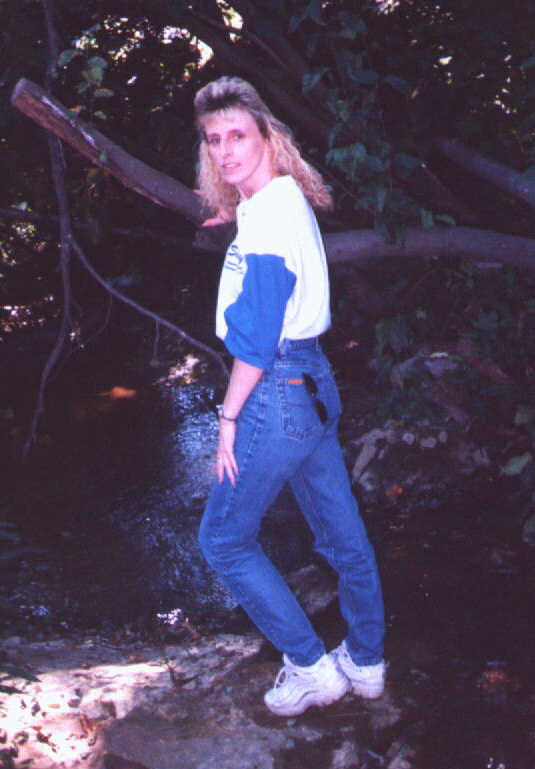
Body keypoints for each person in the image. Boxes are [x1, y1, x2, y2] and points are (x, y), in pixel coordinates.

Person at [195, 76, 385, 717]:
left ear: (267, 137)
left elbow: (255, 341)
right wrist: (233, 217)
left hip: (275, 389)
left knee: (223, 541)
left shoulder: (270, 217)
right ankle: (366, 660)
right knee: (341, 536)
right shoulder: (277, 199)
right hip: (312, 385)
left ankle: (309, 666)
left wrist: (227, 418)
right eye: (213, 140)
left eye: (237, 136)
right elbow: (266, 241)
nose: (224, 151)